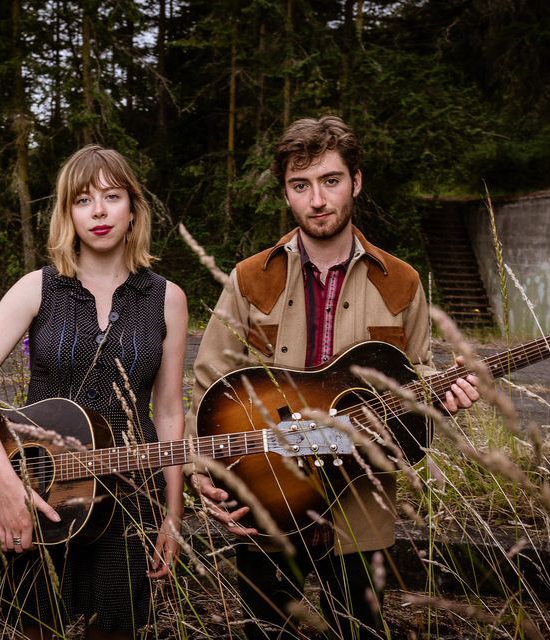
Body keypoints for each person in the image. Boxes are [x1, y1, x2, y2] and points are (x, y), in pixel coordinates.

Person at [186, 116, 480, 639]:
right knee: (265, 632)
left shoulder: (402, 281)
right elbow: (210, 378)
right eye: (300, 185)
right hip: (267, 497)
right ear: (286, 193)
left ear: (355, 181)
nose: (317, 200)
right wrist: (199, 466)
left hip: (361, 510)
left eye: (330, 180)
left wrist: (446, 390)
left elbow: (416, 370)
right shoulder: (250, 277)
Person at [0, 145, 187, 639]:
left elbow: (166, 412)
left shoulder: (168, 299)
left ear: (133, 208)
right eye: (82, 200)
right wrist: (8, 487)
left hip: (130, 495)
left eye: (112, 196)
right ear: (67, 213)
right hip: (39, 491)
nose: (98, 212)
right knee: (37, 626)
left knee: (116, 630)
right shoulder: (37, 289)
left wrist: (173, 514)